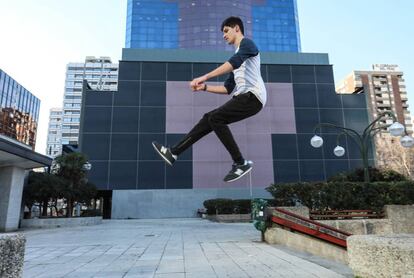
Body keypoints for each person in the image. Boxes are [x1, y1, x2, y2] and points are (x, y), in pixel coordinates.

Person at [152, 16, 267, 182]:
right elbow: (227, 89)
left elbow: (233, 62)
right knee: (209, 118)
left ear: (237, 28)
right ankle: (174, 153)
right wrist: (204, 88)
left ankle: (240, 162)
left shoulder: (247, 44)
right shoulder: (237, 59)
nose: (224, 35)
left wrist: (205, 77)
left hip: (253, 97)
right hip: (244, 97)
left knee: (216, 118)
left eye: (226, 31)